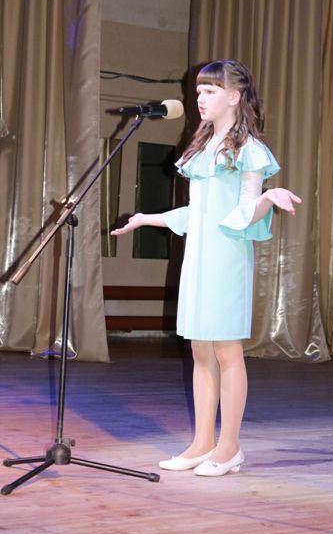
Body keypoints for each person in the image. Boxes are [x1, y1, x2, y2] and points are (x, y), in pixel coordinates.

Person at [111, 59, 302, 476]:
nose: (200, 98)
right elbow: (197, 213)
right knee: (200, 349)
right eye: (198, 91)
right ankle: (202, 442)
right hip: (198, 256)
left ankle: (229, 447)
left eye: (210, 91)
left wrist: (268, 199)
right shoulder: (201, 149)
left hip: (227, 257)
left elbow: (244, 213)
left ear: (233, 96)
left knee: (226, 350)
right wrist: (145, 219)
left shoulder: (249, 150)